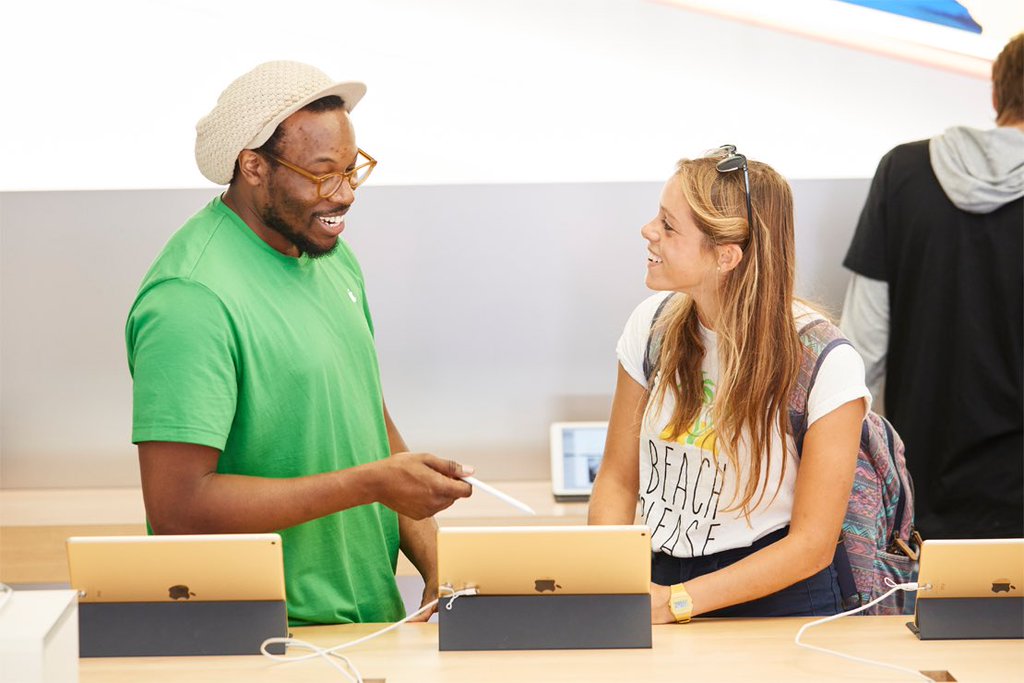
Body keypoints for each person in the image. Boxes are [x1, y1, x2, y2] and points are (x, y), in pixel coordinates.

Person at [125, 61, 473, 625]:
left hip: (368, 624)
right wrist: (368, 485)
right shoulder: (190, 298)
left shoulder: (328, 258)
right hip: (261, 639)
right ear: (254, 166)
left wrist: (438, 557)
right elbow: (177, 510)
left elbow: (366, 419)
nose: (345, 195)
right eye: (320, 174)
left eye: (351, 169)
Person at [589, 146, 871, 622]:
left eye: (668, 225)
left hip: (779, 599)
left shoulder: (825, 362)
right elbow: (617, 480)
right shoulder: (650, 326)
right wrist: (606, 581)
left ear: (726, 256)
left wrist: (678, 602)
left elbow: (812, 545)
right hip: (659, 579)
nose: (648, 231)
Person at [840, 34, 1024, 540]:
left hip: (920, 494)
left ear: (996, 94)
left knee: (927, 622)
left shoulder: (903, 172)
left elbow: (860, 349)